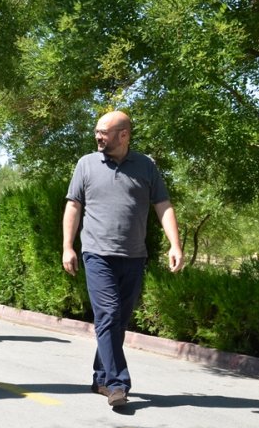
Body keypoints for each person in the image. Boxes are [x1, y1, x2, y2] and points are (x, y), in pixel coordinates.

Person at [62, 110, 183, 408]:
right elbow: (74, 207)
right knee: (108, 315)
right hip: (97, 253)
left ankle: (101, 376)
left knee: (118, 321)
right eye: (97, 131)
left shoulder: (146, 166)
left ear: (124, 135)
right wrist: (68, 246)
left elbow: (163, 205)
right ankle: (118, 384)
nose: (98, 136)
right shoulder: (86, 164)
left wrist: (175, 244)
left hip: (133, 256)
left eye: (104, 131)